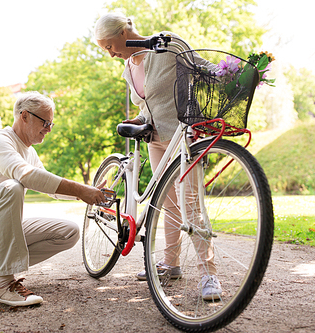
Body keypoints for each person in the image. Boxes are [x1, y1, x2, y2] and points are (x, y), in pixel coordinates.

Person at [94, 12, 222, 300]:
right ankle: (171, 264)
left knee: (191, 207)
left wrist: (233, 74)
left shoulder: (165, 44)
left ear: (122, 33)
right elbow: (147, 105)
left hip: (184, 138)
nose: (110, 54)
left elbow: (203, 67)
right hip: (155, 141)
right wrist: (140, 119)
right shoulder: (129, 66)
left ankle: (209, 275)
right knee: (168, 205)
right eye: (105, 50)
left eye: (109, 46)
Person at [0, 91, 107, 307]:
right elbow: (26, 175)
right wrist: (81, 189)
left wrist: (85, 192)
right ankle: (4, 285)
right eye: (45, 122)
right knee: (12, 187)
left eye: (51, 124)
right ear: (24, 116)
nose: (49, 129)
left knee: (69, 232)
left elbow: (52, 189)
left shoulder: (29, 153)